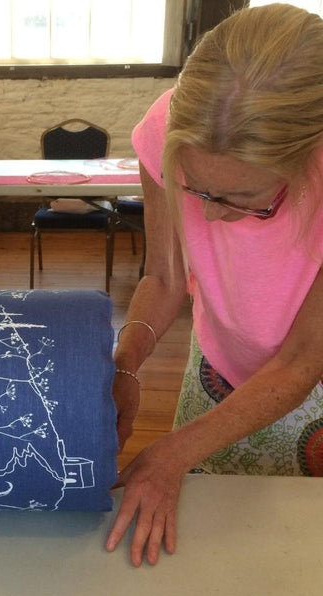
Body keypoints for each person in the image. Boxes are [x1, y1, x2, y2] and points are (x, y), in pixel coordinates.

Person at [105, 4, 323, 566]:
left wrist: (174, 451)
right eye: (195, 190)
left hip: (313, 386)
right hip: (220, 361)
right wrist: (125, 361)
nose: (215, 219)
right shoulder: (168, 126)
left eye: (246, 201)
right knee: (206, 552)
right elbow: (165, 274)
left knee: (296, 555)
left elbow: (302, 361)